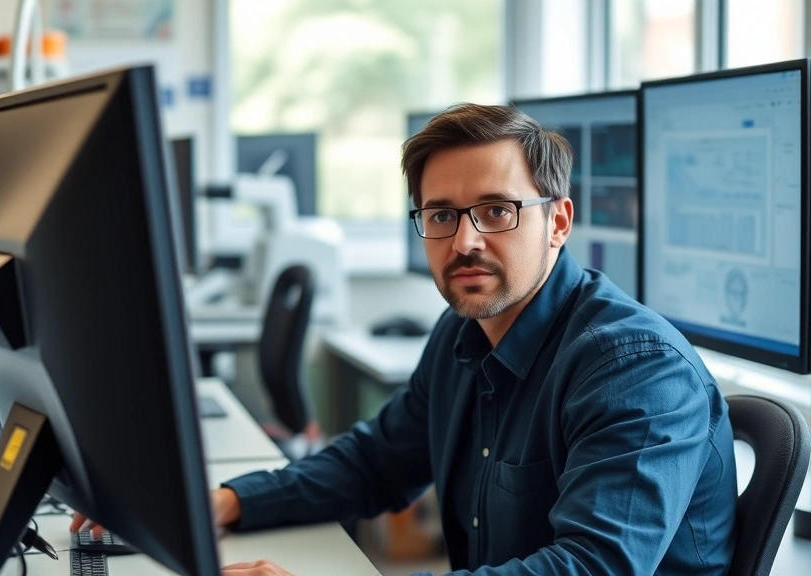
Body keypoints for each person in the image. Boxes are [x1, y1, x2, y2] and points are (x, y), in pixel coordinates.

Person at [73, 103, 738, 575]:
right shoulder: (463, 333)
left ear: (558, 222)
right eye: (442, 215)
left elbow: (590, 568)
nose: (466, 241)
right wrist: (217, 503)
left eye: (497, 211)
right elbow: (372, 464)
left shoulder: (635, 372)